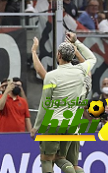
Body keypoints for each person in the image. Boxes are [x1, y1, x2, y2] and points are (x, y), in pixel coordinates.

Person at [31, 32, 96, 173]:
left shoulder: (53, 76)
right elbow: (90, 59)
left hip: (55, 122)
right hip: (74, 125)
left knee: (47, 159)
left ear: (59, 55)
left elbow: (41, 73)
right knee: (70, 163)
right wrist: (76, 46)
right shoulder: (83, 75)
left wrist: (34, 52)